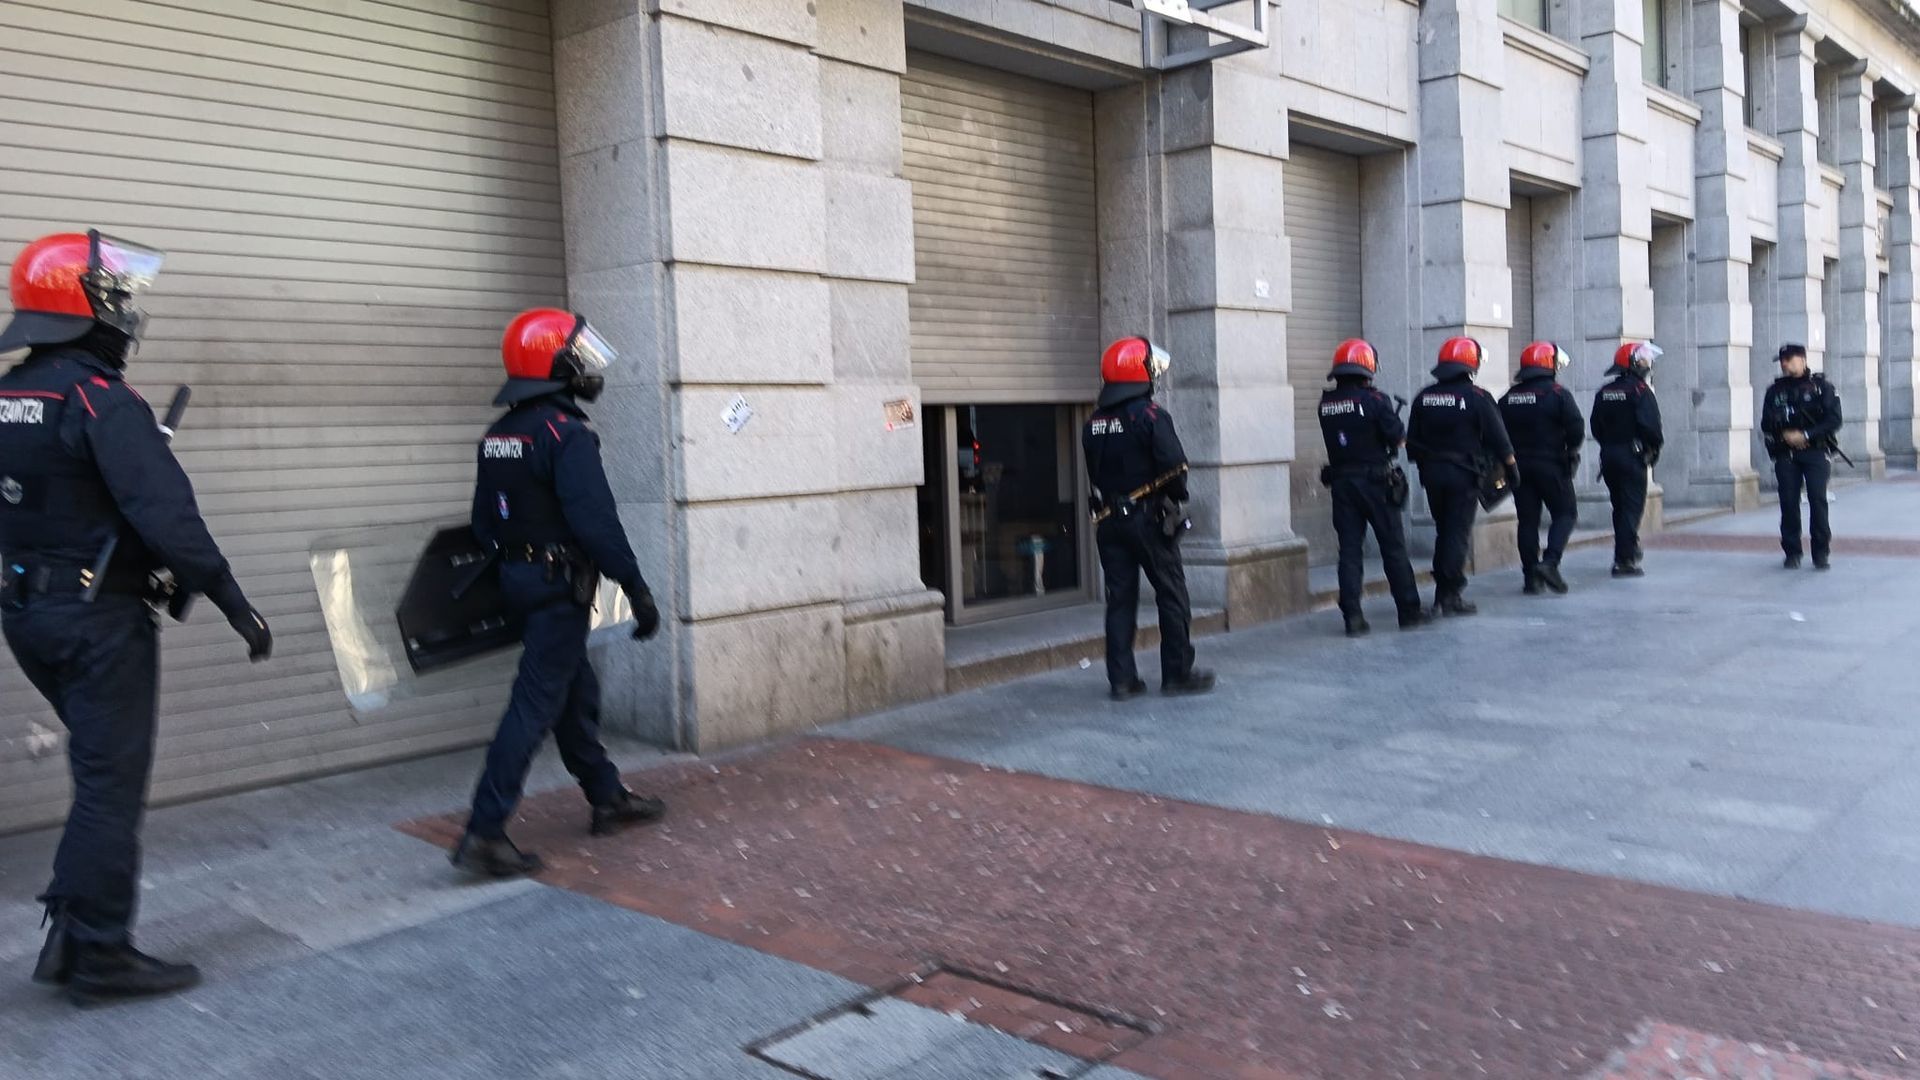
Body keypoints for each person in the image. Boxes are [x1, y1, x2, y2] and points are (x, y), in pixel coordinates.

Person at [0, 231, 272, 1006]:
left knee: (98, 775)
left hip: (28, 614)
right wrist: (235, 604)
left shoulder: (11, 397)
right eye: (113, 295)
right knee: (110, 787)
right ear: (79, 305)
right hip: (98, 623)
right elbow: (169, 518)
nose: (124, 310)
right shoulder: (100, 400)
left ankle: (71, 933)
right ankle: (99, 953)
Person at [452, 308, 666, 878]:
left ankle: (607, 796)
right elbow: (597, 524)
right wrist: (637, 589)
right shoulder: (565, 434)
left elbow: (482, 524)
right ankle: (485, 832)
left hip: (521, 584)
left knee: (575, 692)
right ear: (553, 363)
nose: (588, 367)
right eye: (579, 356)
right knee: (532, 706)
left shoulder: (498, 436)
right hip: (556, 590)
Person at [1084, 336, 1214, 699]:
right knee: (1172, 593)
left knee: (1120, 600)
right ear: (1138, 372)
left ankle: (1122, 680)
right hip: (1147, 520)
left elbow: (1096, 472)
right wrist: (1175, 498)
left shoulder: (1093, 422)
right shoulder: (1151, 416)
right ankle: (1177, 673)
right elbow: (1176, 467)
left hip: (1109, 520)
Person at [1316, 338, 1429, 635]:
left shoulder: (1326, 404)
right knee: (1393, 548)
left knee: (1349, 551)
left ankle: (1352, 616)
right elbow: (1399, 439)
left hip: (1342, 484)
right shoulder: (1376, 401)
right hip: (1376, 484)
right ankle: (1409, 611)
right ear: (1367, 369)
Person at [1407, 336, 1518, 616]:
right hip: (1463, 476)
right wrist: (1512, 469)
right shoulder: (1477, 397)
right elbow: (1500, 439)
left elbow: (1412, 443)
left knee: (1444, 531)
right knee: (1457, 533)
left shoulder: (1424, 397)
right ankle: (1450, 594)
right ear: (1471, 365)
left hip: (1432, 475)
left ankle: (1442, 591)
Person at [1499, 341, 1585, 594]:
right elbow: (1576, 429)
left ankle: (1531, 578)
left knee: (1527, 521)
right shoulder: (1558, 394)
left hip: (1518, 468)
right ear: (1549, 365)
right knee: (1566, 513)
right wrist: (1570, 450)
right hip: (1551, 465)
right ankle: (1550, 563)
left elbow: (1497, 432)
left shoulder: (1508, 398)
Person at [1760, 343, 1842, 570]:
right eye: (1782, 360)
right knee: (1788, 502)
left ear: (1802, 359)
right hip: (1786, 453)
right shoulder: (1775, 391)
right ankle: (1792, 551)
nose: (1784, 364)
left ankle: (1821, 552)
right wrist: (1785, 434)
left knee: (1817, 499)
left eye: (1789, 359)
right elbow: (1765, 423)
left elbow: (1834, 420)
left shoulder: (1821, 387)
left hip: (1815, 451)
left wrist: (1806, 434)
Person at [1590, 341, 1664, 577]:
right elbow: (1652, 428)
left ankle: (1628, 547)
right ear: (1632, 363)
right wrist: (1652, 449)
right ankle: (1624, 560)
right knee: (1631, 509)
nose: (1647, 364)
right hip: (1632, 456)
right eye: (1643, 360)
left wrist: (1610, 444)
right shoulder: (1641, 391)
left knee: (1620, 507)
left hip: (1609, 456)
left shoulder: (1604, 392)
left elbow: (1595, 426)